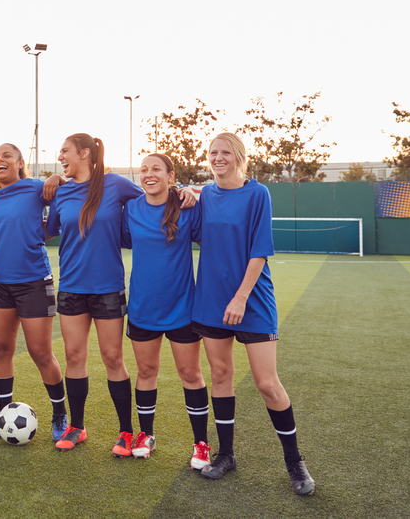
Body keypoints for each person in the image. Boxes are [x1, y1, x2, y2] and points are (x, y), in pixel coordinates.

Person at [191, 132, 315, 495]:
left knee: (267, 383)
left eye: (225, 152)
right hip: (211, 300)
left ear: (239, 157)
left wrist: (241, 297)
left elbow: (259, 251)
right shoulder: (204, 196)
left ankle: (295, 463)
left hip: (252, 300)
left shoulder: (257, 194)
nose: (218, 158)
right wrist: (185, 194)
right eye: (213, 152)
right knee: (220, 374)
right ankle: (226, 455)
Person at [44, 133, 144, 454]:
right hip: (72, 287)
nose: (60, 157)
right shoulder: (61, 191)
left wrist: (185, 195)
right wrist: (52, 180)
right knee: (74, 357)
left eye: (65, 152)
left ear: (84, 153)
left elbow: (150, 198)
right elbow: (49, 229)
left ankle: (126, 432)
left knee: (113, 358)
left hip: (107, 288)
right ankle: (77, 426)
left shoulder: (115, 185)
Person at [121, 153, 211, 465]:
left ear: (170, 176)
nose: (149, 174)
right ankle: (146, 435)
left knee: (191, 373)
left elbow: (210, 240)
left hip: (182, 308)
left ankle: (201, 444)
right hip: (143, 308)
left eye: (156, 169)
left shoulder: (187, 207)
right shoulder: (131, 209)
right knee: (146, 372)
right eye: (143, 170)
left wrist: (191, 190)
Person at [0, 143, 68, 439]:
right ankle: (5, 417)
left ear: (20, 163)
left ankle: (60, 415)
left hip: (33, 282)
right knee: (3, 351)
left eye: (6, 155)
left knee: (40, 352)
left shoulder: (35, 187)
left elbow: (58, 212)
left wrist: (57, 179)